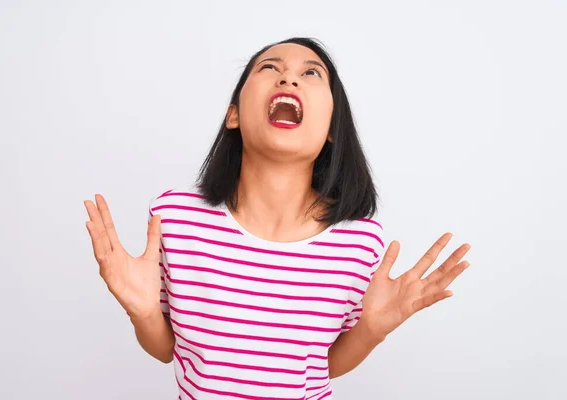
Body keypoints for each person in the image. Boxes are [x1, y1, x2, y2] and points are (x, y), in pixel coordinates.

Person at [84, 37, 471, 399]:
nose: (288, 76)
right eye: (269, 68)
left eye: (311, 73)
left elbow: (326, 365)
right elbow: (166, 350)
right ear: (233, 115)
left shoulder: (357, 241)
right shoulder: (176, 217)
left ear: (333, 128)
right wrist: (143, 311)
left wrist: (372, 330)